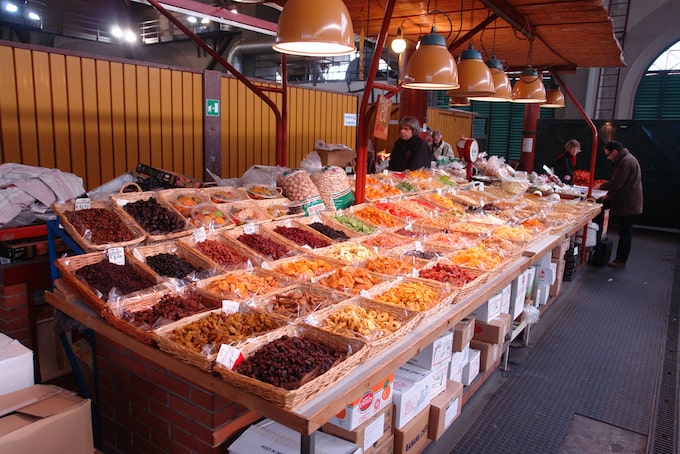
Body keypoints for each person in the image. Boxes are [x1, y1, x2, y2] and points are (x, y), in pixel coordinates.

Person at [597, 140, 643, 268]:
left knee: (625, 233)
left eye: (609, 154)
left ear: (615, 152)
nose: (608, 158)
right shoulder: (628, 159)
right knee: (625, 232)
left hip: (627, 204)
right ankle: (621, 259)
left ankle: (621, 260)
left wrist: (601, 186)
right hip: (628, 202)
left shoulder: (625, 162)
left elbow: (617, 183)